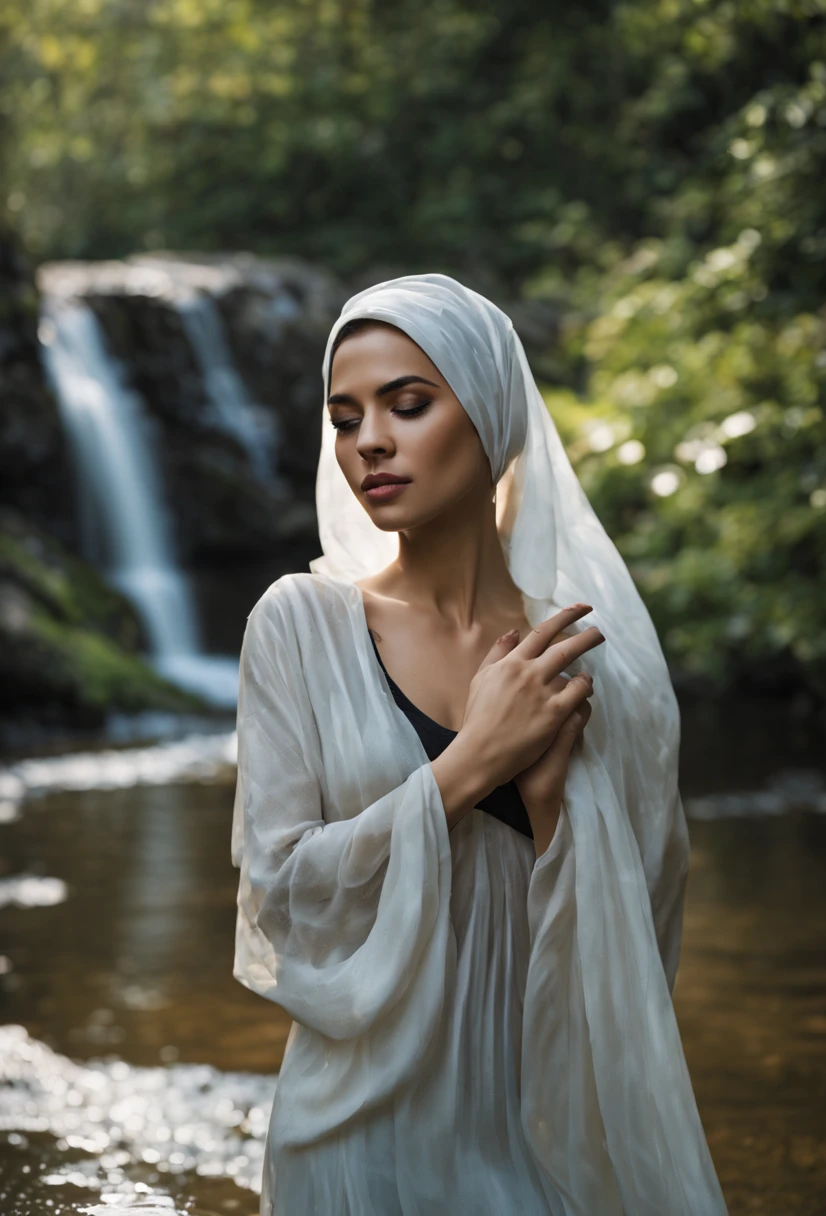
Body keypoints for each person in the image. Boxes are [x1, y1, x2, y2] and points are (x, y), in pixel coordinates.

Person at [231, 273, 729, 1215]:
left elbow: (640, 960)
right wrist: (472, 765)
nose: (369, 439)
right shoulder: (300, 626)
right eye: (345, 418)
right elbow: (282, 902)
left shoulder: (584, 658)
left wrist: (550, 814)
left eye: (407, 405)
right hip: (356, 1134)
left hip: (542, 1127)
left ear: (490, 412)